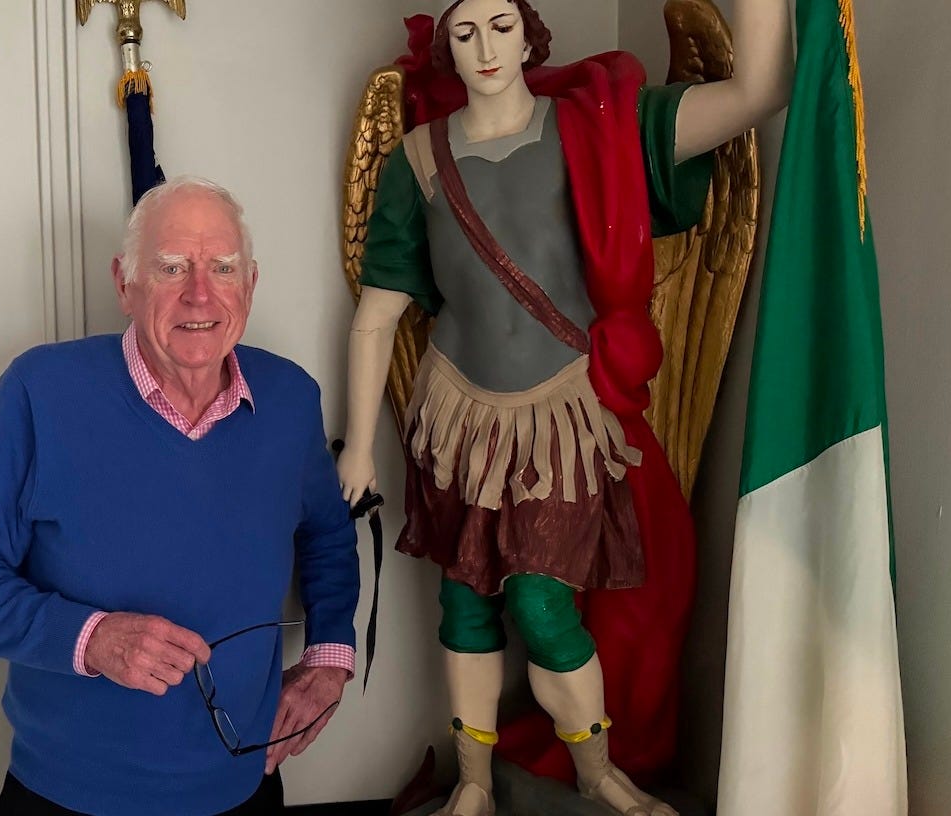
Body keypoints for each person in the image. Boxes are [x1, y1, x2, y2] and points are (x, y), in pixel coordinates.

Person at [336, 1, 791, 814]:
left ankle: (597, 772)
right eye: (464, 32)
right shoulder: (418, 159)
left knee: (543, 606)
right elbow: (377, 315)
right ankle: (473, 782)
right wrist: (360, 448)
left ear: (529, 34)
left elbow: (758, 93)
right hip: (456, 419)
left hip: (562, 421)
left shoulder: (599, 129)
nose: (485, 47)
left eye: (500, 26)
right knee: (463, 605)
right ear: (445, 48)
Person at [0, 176, 360, 816]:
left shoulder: (291, 397)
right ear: (124, 283)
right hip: (67, 796)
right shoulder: (40, 391)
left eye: (223, 268)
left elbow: (327, 534)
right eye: (171, 267)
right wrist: (93, 639)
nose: (200, 293)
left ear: (250, 284)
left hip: (243, 786)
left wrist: (329, 657)